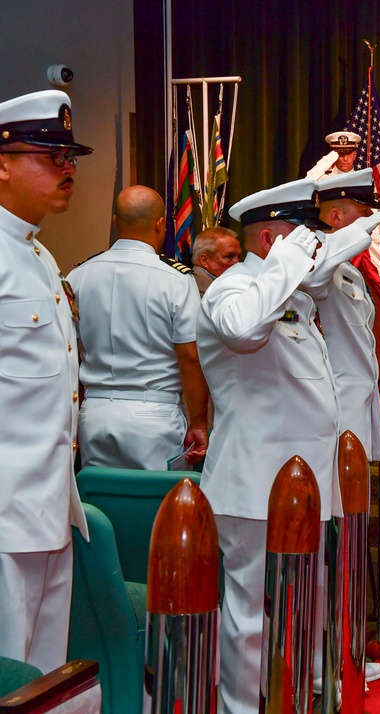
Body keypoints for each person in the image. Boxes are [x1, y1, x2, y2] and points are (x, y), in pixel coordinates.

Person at [196, 176, 380, 712]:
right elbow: (244, 330)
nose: (314, 242)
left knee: (310, 600)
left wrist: (343, 240)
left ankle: (309, 691)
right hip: (252, 485)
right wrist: (288, 260)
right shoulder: (234, 288)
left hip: (306, 485)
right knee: (249, 612)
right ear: (268, 243)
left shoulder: (293, 296)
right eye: (302, 233)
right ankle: (239, 706)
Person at [0, 89, 91, 671]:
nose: (67, 169)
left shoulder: (38, 257)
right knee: (10, 675)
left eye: (70, 157)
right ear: (2, 162)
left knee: (47, 680)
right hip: (6, 516)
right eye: (49, 154)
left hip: (51, 506)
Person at [68, 185, 208, 470]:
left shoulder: (78, 276)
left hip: (93, 412)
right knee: (158, 508)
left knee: (102, 502)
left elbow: (69, 354)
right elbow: (190, 358)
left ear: (116, 222)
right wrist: (199, 422)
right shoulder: (176, 280)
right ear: (161, 225)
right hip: (154, 415)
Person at [311, 168, 380, 686]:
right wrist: (350, 237)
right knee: (331, 545)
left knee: (348, 541)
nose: (372, 228)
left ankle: (343, 647)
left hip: (357, 419)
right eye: (363, 217)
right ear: (337, 217)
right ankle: (325, 659)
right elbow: (314, 277)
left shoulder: (353, 273)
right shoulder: (317, 259)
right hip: (332, 421)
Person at [191, 226, 241, 296]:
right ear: (204, 260)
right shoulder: (197, 292)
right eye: (229, 257)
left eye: (238, 257)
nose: (237, 262)